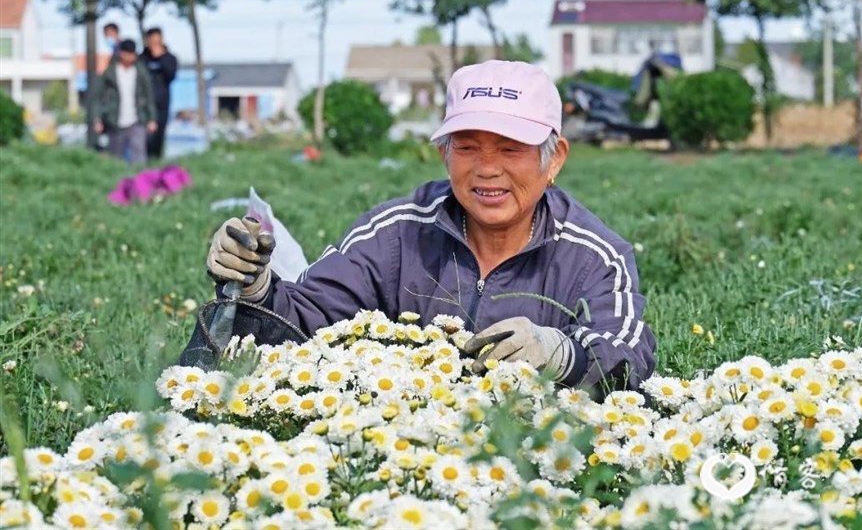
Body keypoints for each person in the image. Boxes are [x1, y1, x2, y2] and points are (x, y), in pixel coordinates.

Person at [186, 60, 657, 395]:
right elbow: (308, 318)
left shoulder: (594, 255)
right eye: (468, 148)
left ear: (554, 159)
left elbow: (629, 350)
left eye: (511, 150)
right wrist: (253, 285)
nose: (487, 169)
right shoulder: (395, 232)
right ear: (443, 154)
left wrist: (560, 354)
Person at [93, 39, 157, 165]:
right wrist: (97, 118)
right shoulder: (110, 72)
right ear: (121, 53)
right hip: (115, 121)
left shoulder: (141, 72)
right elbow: (98, 97)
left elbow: (148, 96)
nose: (130, 57)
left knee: (138, 157)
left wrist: (151, 118)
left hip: (137, 120)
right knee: (115, 159)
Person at [140, 27, 179, 159]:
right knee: (145, 137)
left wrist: (161, 58)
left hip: (162, 103)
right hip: (144, 103)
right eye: (152, 41)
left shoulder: (170, 58)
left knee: (159, 136)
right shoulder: (141, 58)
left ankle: (156, 162)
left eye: (157, 41)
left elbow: (171, 76)